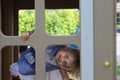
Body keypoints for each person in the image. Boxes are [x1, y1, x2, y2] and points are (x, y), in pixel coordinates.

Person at [10, 32, 80, 80]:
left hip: (33, 73)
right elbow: (39, 39)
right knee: (15, 69)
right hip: (27, 60)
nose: (62, 59)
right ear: (66, 48)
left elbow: (64, 76)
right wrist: (29, 35)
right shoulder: (53, 45)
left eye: (65, 63)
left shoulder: (59, 65)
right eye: (66, 56)